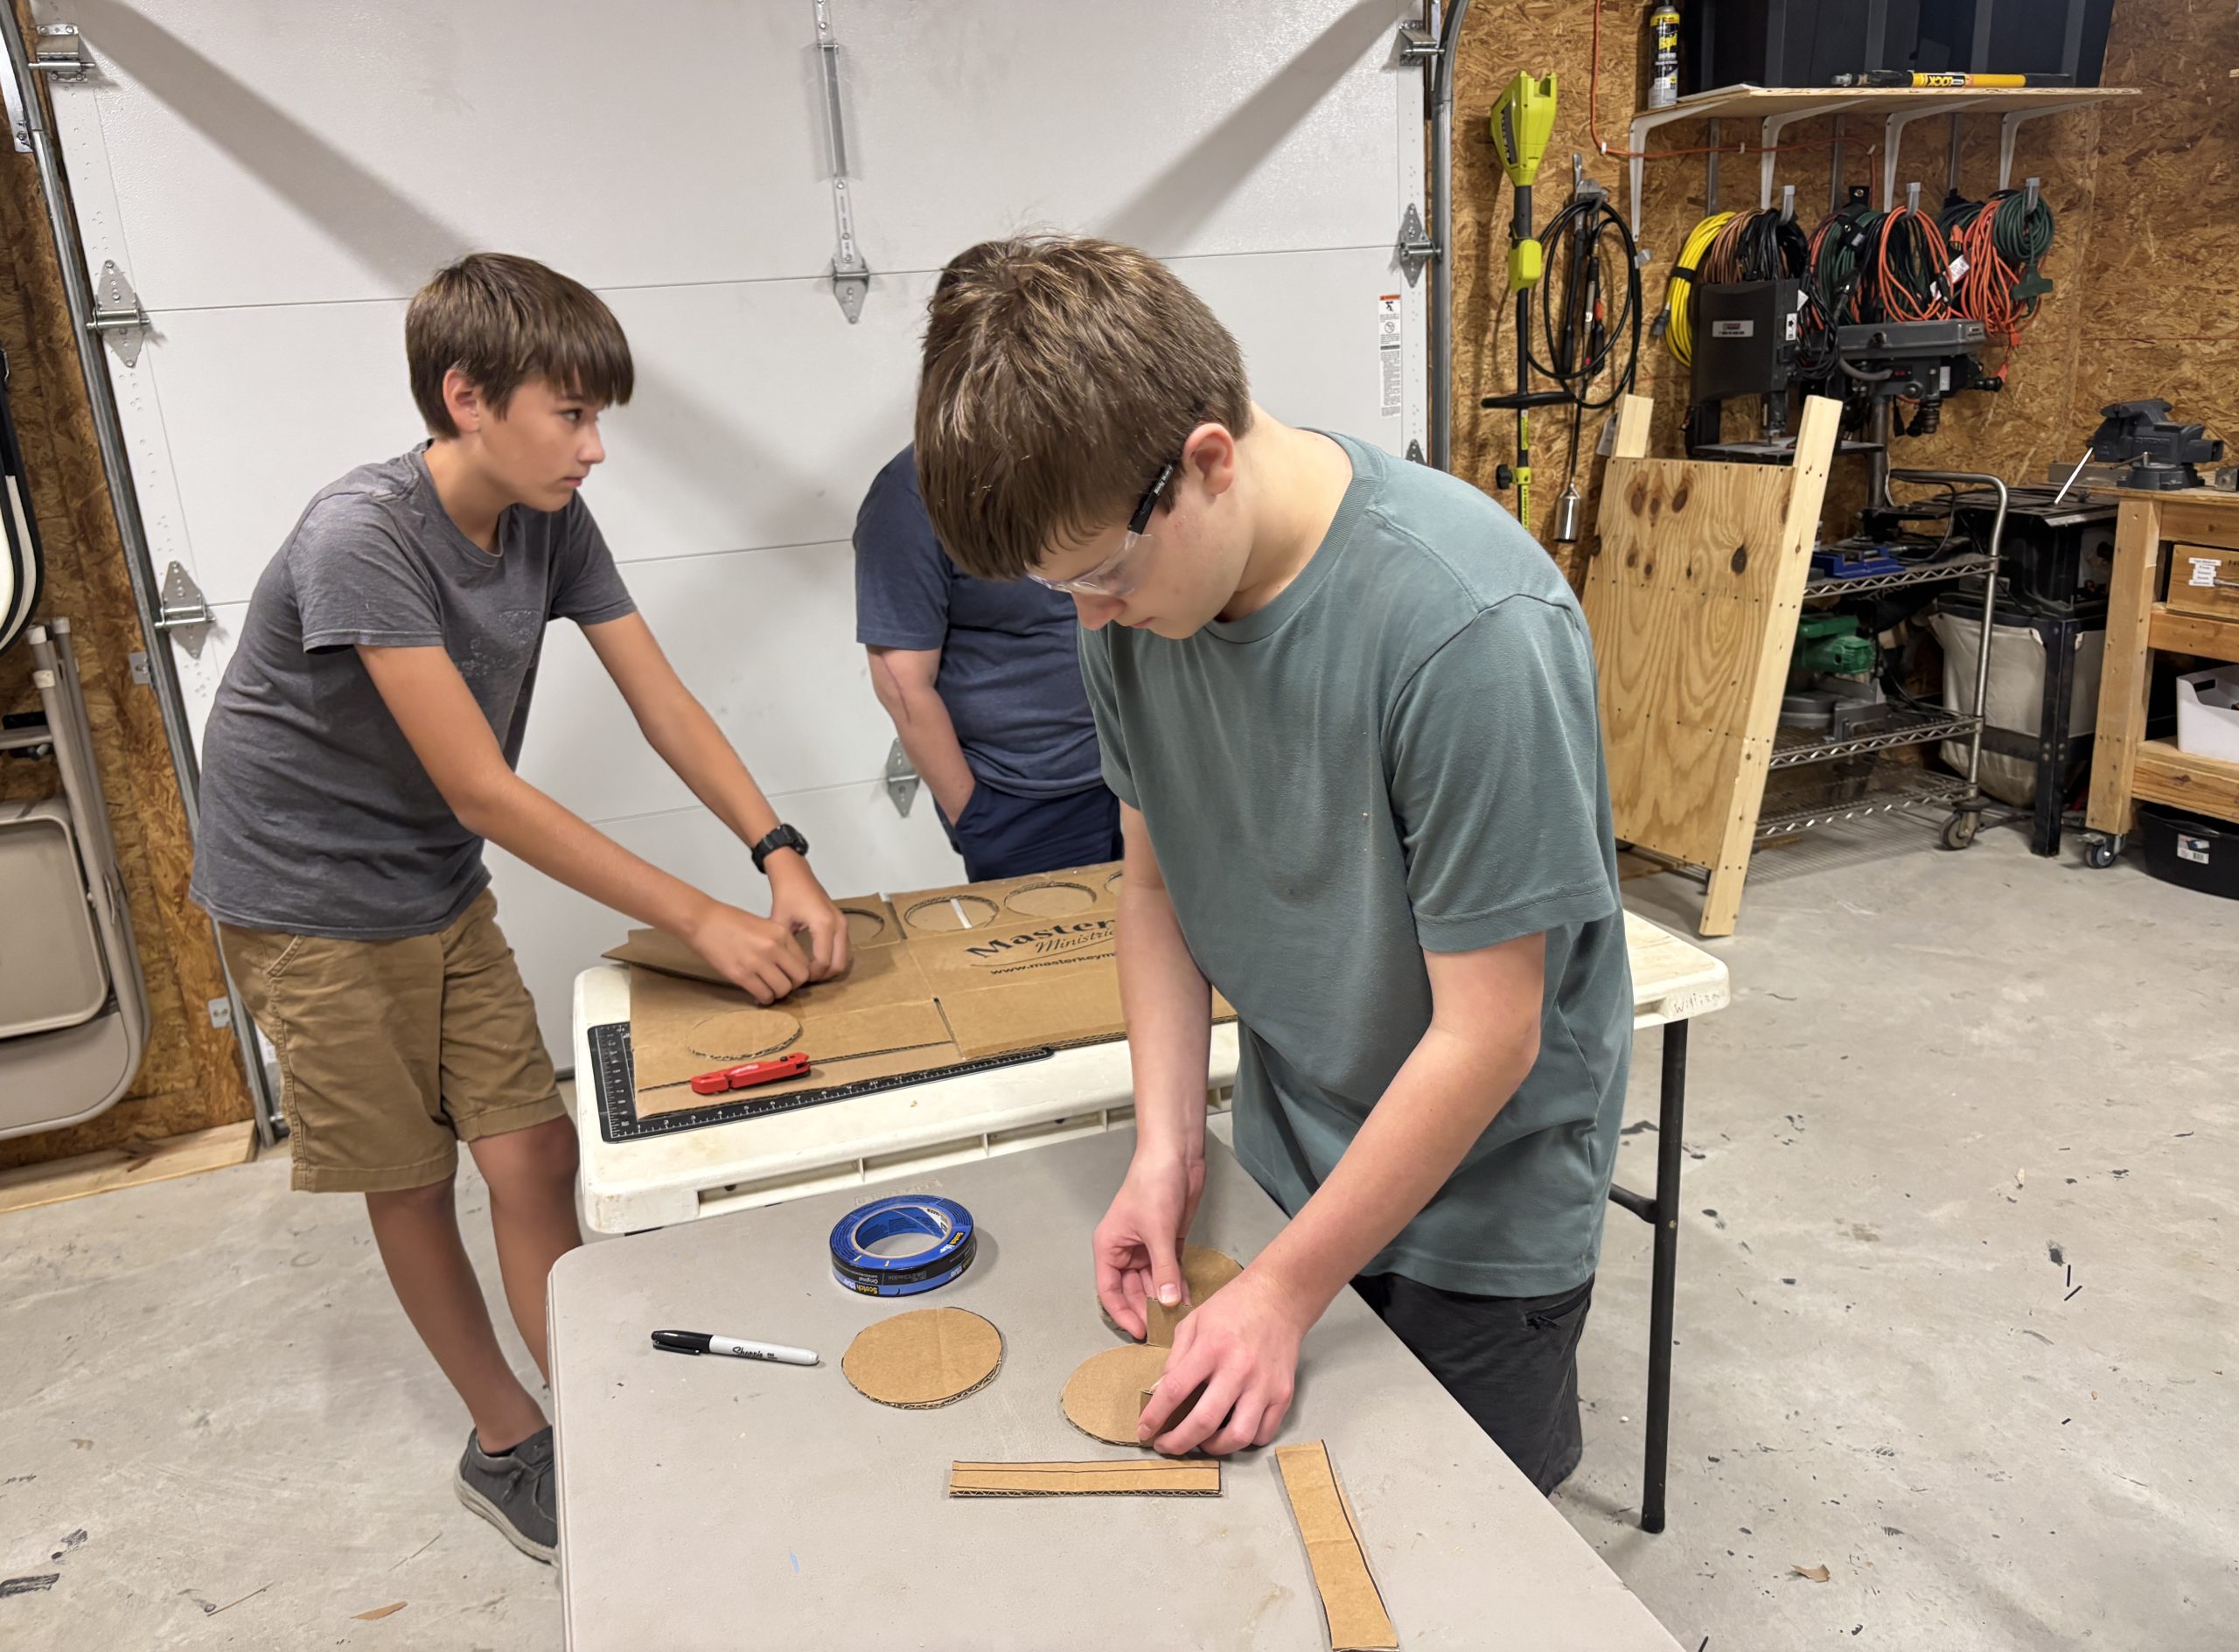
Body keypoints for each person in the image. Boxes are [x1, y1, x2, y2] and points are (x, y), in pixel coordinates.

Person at [914, 235, 1634, 1493]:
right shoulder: (1133, 608)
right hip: (1288, 1162)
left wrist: (1287, 1293)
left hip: (1479, 1213)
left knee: (1452, 1547)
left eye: (1102, 574)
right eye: (1059, 588)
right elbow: (1154, 891)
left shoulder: (1467, 629)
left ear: (1206, 462)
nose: (1090, 617)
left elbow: (1489, 1034)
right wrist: (1167, 1147)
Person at [188, 253, 850, 1562]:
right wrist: (702, 922)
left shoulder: (549, 520)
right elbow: (483, 790)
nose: (595, 448)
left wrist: (779, 852)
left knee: (534, 1154)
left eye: (599, 417)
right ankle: (507, 1441)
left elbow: (661, 700)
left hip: (430, 875)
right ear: (467, 398)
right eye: (572, 414)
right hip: (310, 898)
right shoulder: (360, 537)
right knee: (412, 1177)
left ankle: (594, 1405)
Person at [854, 443, 1120, 881]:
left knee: (1168, 924)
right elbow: (902, 683)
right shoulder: (914, 490)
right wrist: (976, 816)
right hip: (1023, 804)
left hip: (1144, 775)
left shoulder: (1096, 449)